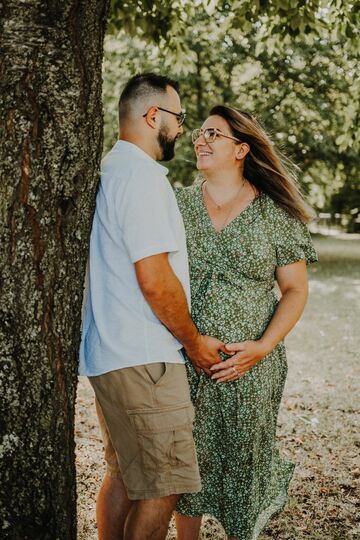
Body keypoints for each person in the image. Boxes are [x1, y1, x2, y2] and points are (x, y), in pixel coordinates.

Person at [79, 74, 226, 540]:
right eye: (179, 119)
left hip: (113, 353)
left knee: (124, 473)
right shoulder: (141, 179)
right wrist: (194, 342)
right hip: (145, 360)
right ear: (153, 116)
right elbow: (156, 280)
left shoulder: (112, 170)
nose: (183, 129)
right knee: (164, 487)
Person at [174, 105, 318, 540]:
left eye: (213, 134)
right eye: (200, 133)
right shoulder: (175, 204)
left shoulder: (275, 213)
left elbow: (294, 290)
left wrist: (263, 347)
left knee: (243, 464)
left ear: (241, 148)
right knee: (186, 463)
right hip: (183, 355)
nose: (200, 140)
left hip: (250, 364)